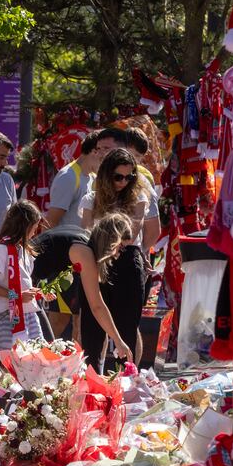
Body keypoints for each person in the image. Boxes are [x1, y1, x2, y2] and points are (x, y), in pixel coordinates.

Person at [79, 148, 153, 363]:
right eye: (117, 177)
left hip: (127, 260)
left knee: (127, 328)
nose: (123, 182)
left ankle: (126, 383)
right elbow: (86, 232)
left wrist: (107, 235)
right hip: (96, 259)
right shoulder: (91, 199)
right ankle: (93, 384)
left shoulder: (138, 197)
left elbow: (131, 233)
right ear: (105, 175)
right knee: (92, 329)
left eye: (129, 177)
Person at [70, 213, 136, 371]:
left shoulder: (85, 248)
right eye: (120, 247)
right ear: (111, 242)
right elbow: (97, 306)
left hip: (19, 295)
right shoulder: (85, 253)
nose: (119, 253)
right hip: (16, 295)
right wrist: (119, 342)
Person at [0, 201, 45, 357]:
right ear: (24, 226)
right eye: (34, 226)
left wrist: (36, 292)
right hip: (7, 316)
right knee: (10, 361)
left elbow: (23, 283)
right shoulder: (1, 251)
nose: (35, 231)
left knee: (36, 357)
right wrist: (16, 296)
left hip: (28, 313)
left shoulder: (24, 250)